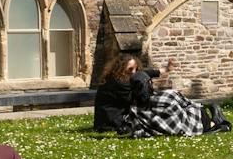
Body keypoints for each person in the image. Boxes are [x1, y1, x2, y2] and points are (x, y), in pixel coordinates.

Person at [93, 52, 224, 138]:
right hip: (114, 123)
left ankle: (207, 120)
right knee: (161, 109)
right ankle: (210, 123)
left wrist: (167, 69)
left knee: (166, 105)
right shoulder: (117, 83)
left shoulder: (125, 79)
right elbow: (142, 99)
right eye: (130, 70)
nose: (133, 73)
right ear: (120, 69)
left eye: (136, 69)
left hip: (123, 119)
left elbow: (145, 74)